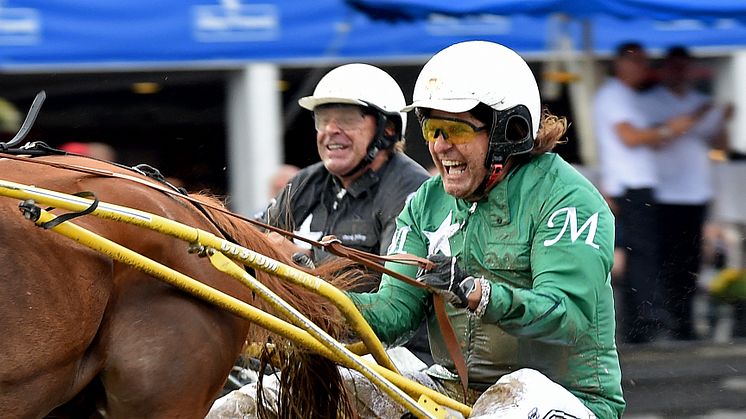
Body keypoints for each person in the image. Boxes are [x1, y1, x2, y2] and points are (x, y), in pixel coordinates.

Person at [346, 40, 625, 418]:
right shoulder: (425, 203)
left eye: (455, 130)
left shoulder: (568, 199)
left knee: (514, 393)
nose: (440, 147)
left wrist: (480, 293)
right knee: (326, 386)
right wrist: (304, 297)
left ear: (508, 132)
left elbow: (568, 318)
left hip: (570, 399)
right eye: (432, 128)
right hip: (456, 391)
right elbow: (391, 315)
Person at [258, 63, 432, 360]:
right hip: (330, 344)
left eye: (347, 119)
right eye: (322, 119)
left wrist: (299, 268)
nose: (330, 131)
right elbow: (254, 241)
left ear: (387, 129)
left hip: (401, 356)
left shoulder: (411, 190)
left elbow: (393, 309)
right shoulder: (307, 181)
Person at [593, 42, 697, 344]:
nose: (642, 68)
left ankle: (642, 320)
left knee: (643, 254)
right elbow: (629, 136)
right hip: (631, 185)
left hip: (636, 183)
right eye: (636, 61)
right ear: (621, 64)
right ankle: (645, 320)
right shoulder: (614, 95)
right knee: (642, 256)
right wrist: (668, 129)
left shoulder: (625, 96)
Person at [640, 46, 733, 341]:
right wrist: (698, 115)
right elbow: (659, 137)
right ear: (666, 70)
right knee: (668, 260)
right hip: (666, 193)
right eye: (675, 67)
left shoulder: (701, 101)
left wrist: (723, 121)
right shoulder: (652, 102)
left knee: (693, 261)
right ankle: (669, 319)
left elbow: (720, 145)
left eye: (684, 68)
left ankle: (687, 320)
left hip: (696, 192)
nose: (680, 73)